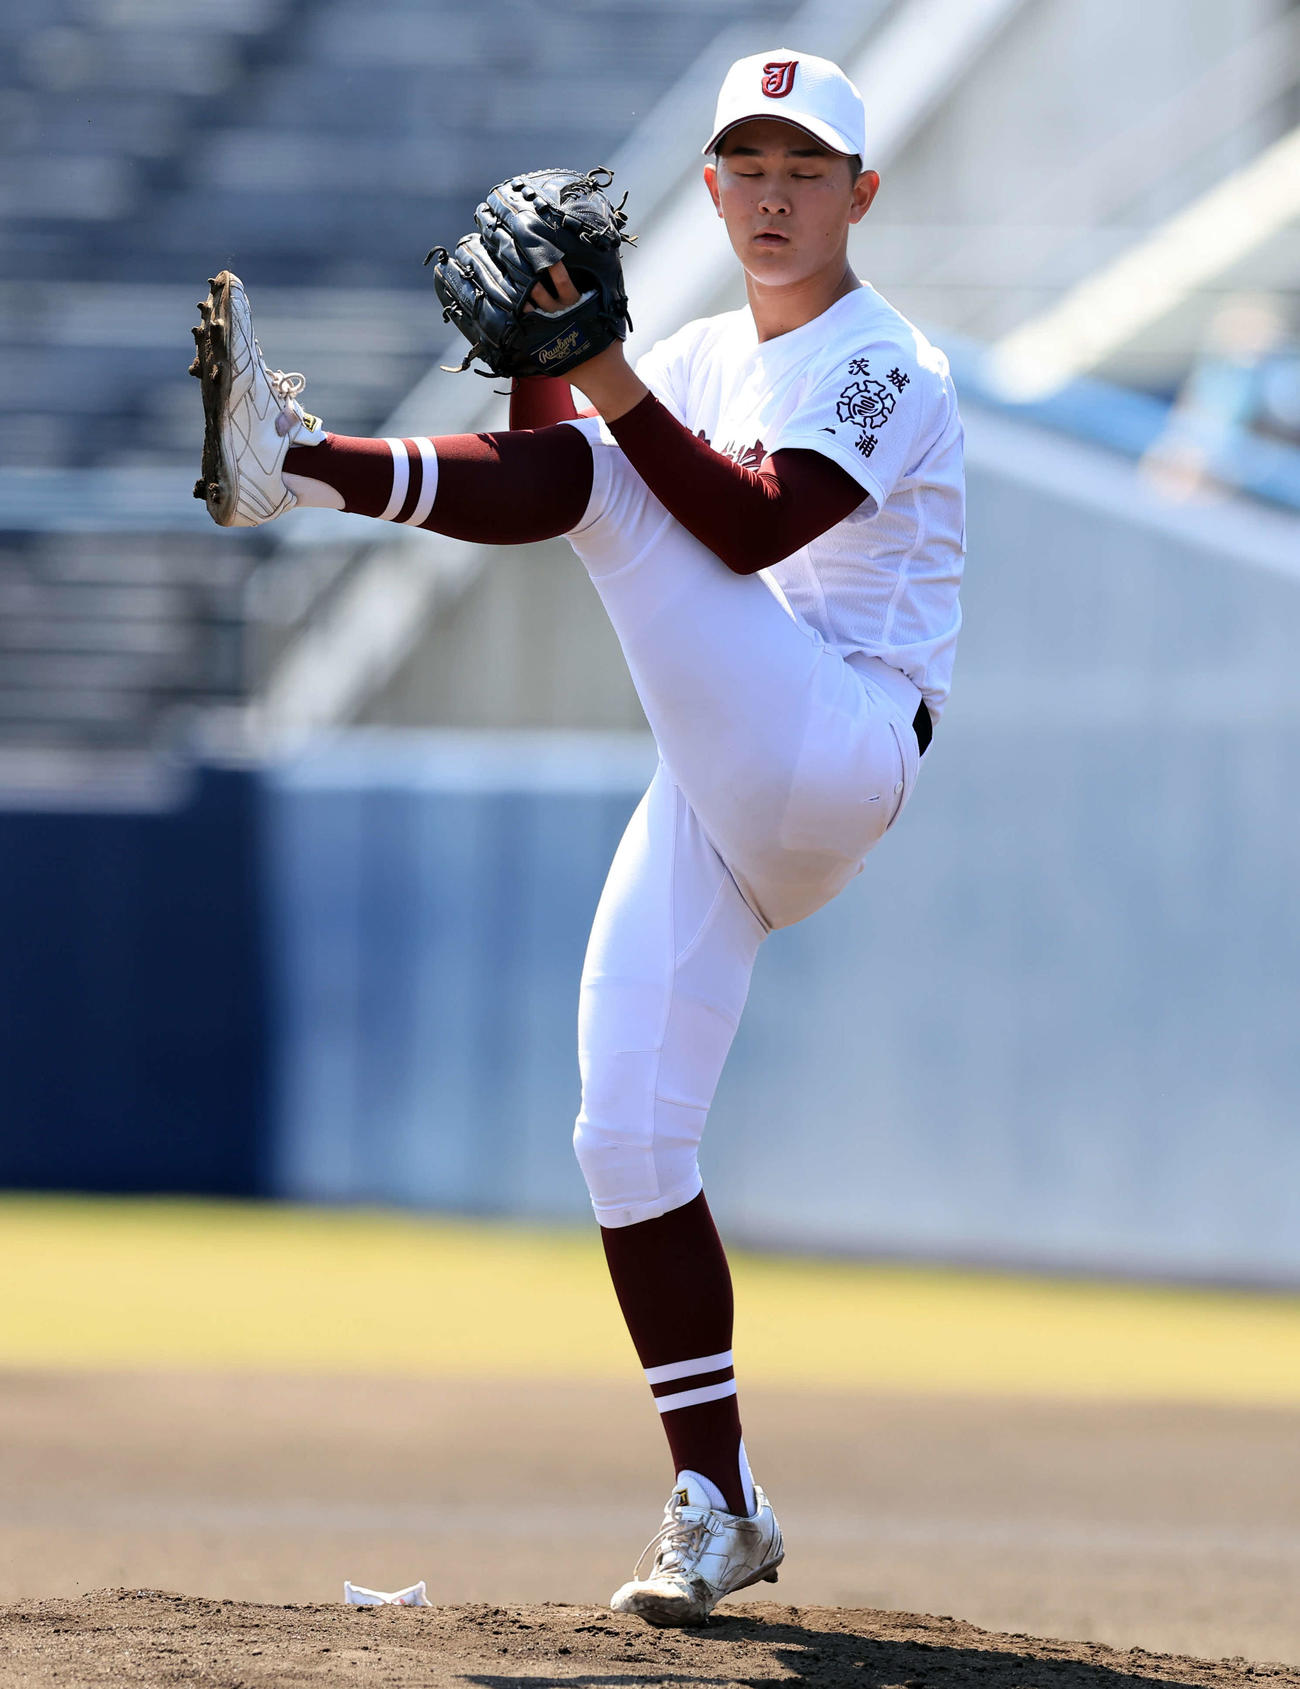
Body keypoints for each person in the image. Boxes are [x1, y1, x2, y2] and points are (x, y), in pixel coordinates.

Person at [191, 48, 965, 1627]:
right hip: (722, 778)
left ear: (860, 197)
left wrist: (591, 372)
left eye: (805, 168)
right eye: (746, 164)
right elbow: (559, 456)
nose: (772, 192)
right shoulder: (684, 349)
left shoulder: (893, 364)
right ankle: (720, 1495)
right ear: (708, 189)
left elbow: (745, 523)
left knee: (627, 486)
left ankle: (303, 468)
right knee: (623, 1137)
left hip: (840, 746)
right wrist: (536, 341)